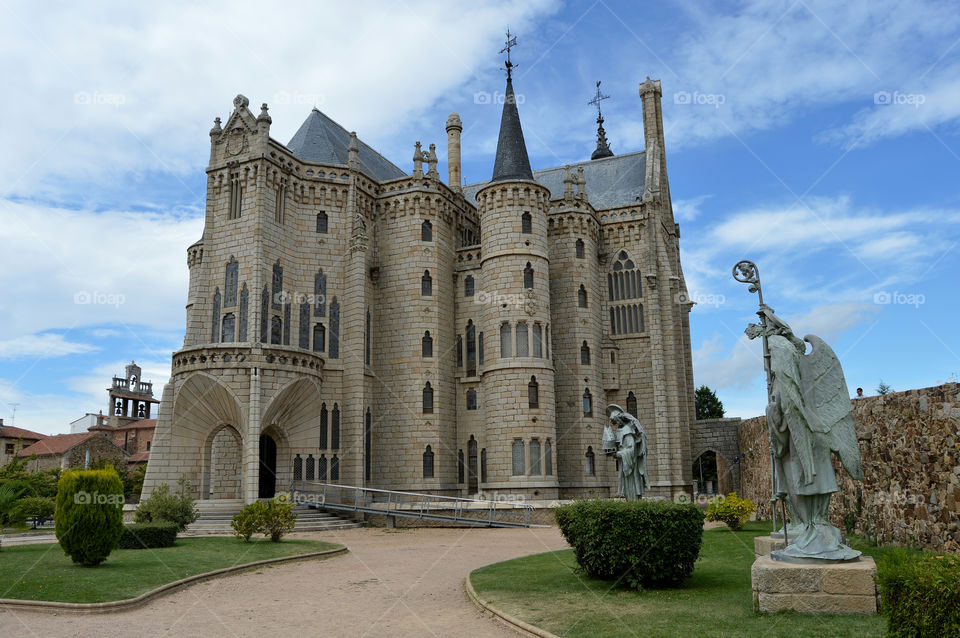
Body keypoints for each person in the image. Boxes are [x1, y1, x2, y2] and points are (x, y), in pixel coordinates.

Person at [604, 404, 649, 500]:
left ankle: (633, 505)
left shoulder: (627, 431)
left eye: (615, 422)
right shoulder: (621, 431)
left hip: (630, 467)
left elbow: (631, 450)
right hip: (624, 465)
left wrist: (618, 454)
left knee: (631, 488)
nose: (615, 425)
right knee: (627, 490)